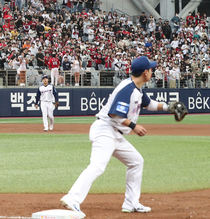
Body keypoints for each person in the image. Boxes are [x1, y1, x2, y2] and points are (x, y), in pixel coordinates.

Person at [60, 56, 171, 215]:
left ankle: (131, 203)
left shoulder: (137, 88)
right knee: (97, 166)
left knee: (136, 161)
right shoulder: (128, 88)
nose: (153, 71)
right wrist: (134, 126)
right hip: (105, 130)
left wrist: (169, 107)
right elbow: (114, 114)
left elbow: (150, 104)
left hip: (115, 134)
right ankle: (72, 198)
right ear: (145, 72)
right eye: (151, 69)